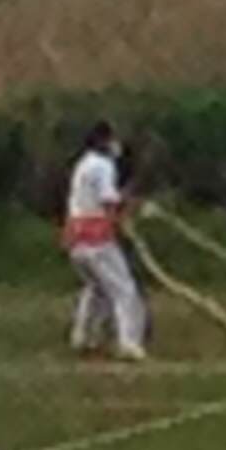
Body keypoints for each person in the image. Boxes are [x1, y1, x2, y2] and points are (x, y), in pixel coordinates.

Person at [63, 120, 149, 361]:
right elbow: (108, 201)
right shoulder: (103, 166)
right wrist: (125, 216)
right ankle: (129, 343)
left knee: (96, 289)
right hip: (96, 237)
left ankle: (83, 337)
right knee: (124, 290)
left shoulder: (82, 164)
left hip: (76, 236)